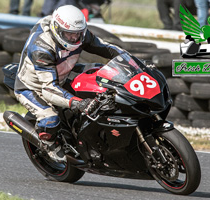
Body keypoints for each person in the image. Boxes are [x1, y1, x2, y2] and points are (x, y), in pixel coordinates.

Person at [14, 5, 127, 162]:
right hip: (34, 87)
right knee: (51, 119)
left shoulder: (81, 34)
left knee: (100, 77)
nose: (74, 39)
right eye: (69, 34)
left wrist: (130, 60)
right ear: (57, 29)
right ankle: (48, 143)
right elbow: (49, 89)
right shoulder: (42, 49)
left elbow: (106, 48)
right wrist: (79, 103)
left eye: (77, 34)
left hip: (63, 72)